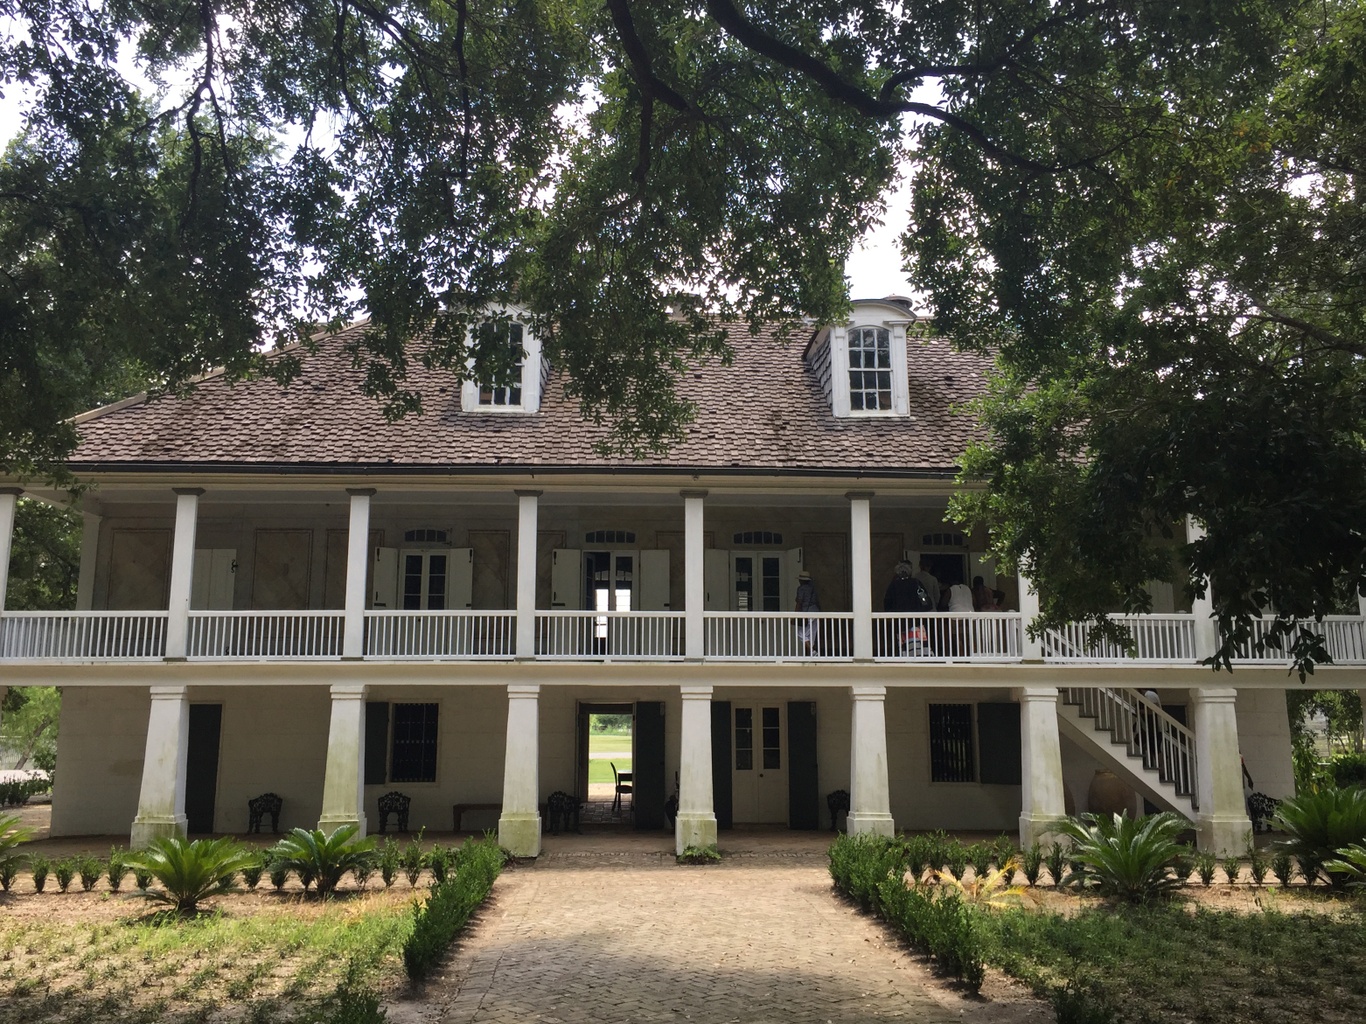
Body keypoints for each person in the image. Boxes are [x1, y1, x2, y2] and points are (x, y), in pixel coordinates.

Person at [883, 561, 932, 656]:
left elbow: (887, 604)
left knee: (904, 650)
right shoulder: (916, 583)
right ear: (910, 572)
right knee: (919, 649)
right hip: (916, 622)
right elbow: (925, 601)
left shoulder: (893, 585)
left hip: (900, 623)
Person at [794, 569, 820, 655]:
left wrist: (795, 615)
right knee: (811, 635)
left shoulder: (801, 589)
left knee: (801, 633)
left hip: (806, 612)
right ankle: (810, 655)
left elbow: (799, 602)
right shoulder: (813, 588)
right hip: (816, 612)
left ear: (801, 580)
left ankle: (812, 652)